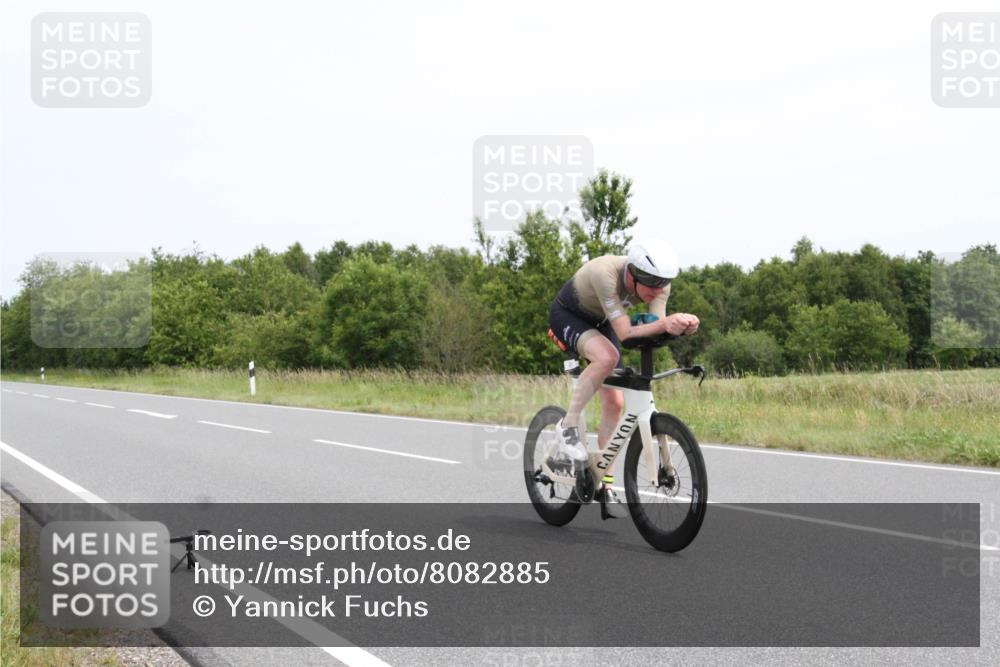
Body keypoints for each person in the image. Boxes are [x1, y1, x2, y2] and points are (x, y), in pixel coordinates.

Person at [547, 240, 699, 518]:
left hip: (603, 321)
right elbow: (627, 333)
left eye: (663, 284)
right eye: (652, 285)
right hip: (568, 314)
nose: (658, 291)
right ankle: (567, 426)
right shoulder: (605, 274)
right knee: (606, 357)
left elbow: (654, 328)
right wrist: (665, 324)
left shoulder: (659, 285)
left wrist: (680, 328)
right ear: (633, 274)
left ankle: (604, 484)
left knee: (615, 404)